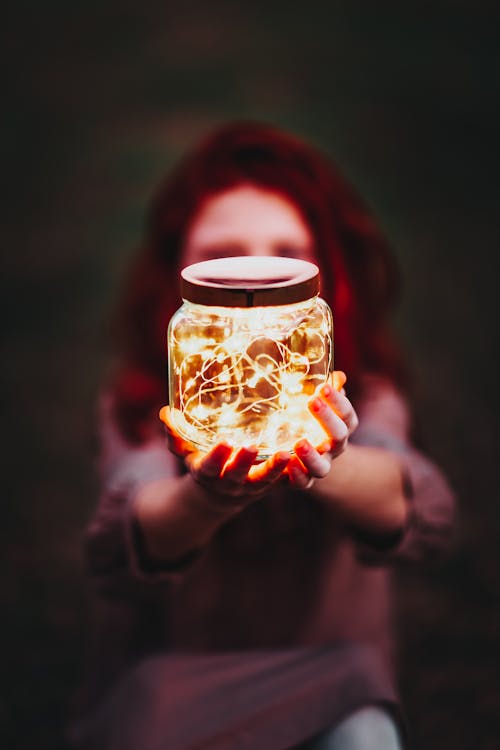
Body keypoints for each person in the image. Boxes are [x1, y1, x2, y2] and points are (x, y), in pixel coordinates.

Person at [74, 121, 455, 749]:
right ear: (175, 273)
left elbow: (405, 499)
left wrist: (331, 460)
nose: (256, 284)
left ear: (327, 272)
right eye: (222, 255)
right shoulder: (141, 401)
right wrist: (206, 499)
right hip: (177, 685)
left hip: (331, 680)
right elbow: (130, 527)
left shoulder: (364, 388)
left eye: (287, 253)